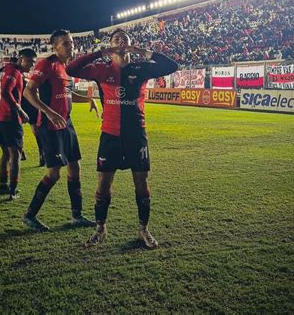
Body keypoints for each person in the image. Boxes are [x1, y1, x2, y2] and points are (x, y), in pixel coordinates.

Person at [66, 28, 178, 249]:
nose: (121, 42)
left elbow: (171, 66)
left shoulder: (141, 67)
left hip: (136, 134)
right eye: (116, 39)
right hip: (110, 135)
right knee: (104, 183)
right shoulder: (101, 69)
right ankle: (101, 228)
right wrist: (102, 52)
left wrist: (141, 51)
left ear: (130, 44)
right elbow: (71, 68)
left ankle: (143, 229)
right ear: (110, 45)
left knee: (141, 182)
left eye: (125, 39)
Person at [22, 29, 99, 231]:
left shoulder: (66, 68)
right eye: (65, 43)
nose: (70, 46)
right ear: (54, 47)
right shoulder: (47, 64)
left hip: (66, 123)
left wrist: (88, 99)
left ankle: (77, 215)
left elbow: (66, 94)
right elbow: (28, 91)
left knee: (75, 167)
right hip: (50, 126)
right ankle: (30, 215)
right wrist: (49, 113)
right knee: (54, 173)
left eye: (71, 42)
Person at [0, 49, 37, 200]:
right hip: (10, 120)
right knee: (15, 156)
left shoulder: (4, 70)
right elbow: (5, 92)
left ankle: (3, 185)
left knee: (6, 153)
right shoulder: (15, 72)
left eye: (34, 63)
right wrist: (20, 111)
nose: (32, 65)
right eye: (30, 61)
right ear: (21, 59)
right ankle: (13, 190)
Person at [21, 76, 45, 166]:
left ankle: (20, 153)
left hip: (21, 105)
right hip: (31, 106)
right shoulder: (27, 79)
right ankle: (42, 154)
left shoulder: (16, 77)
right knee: (35, 131)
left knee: (19, 130)